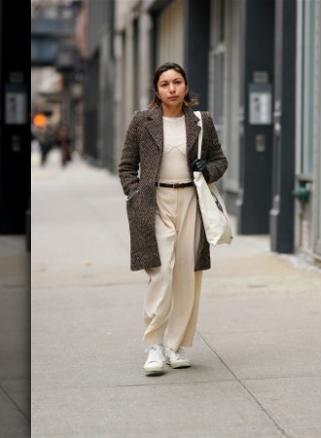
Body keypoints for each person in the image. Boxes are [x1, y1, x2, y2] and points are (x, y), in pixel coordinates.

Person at [119, 61, 228, 376]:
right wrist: (135, 194)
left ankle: (175, 345)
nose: (172, 89)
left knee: (186, 276)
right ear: (157, 90)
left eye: (177, 82)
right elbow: (126, 165)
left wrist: (208, 169)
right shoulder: (142, 121)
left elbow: (220, 160)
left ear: (186, 86)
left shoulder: (201, 121)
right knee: (161, 273)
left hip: (191, 201)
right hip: (155, 202)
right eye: (165, 84)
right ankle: (154, 344)